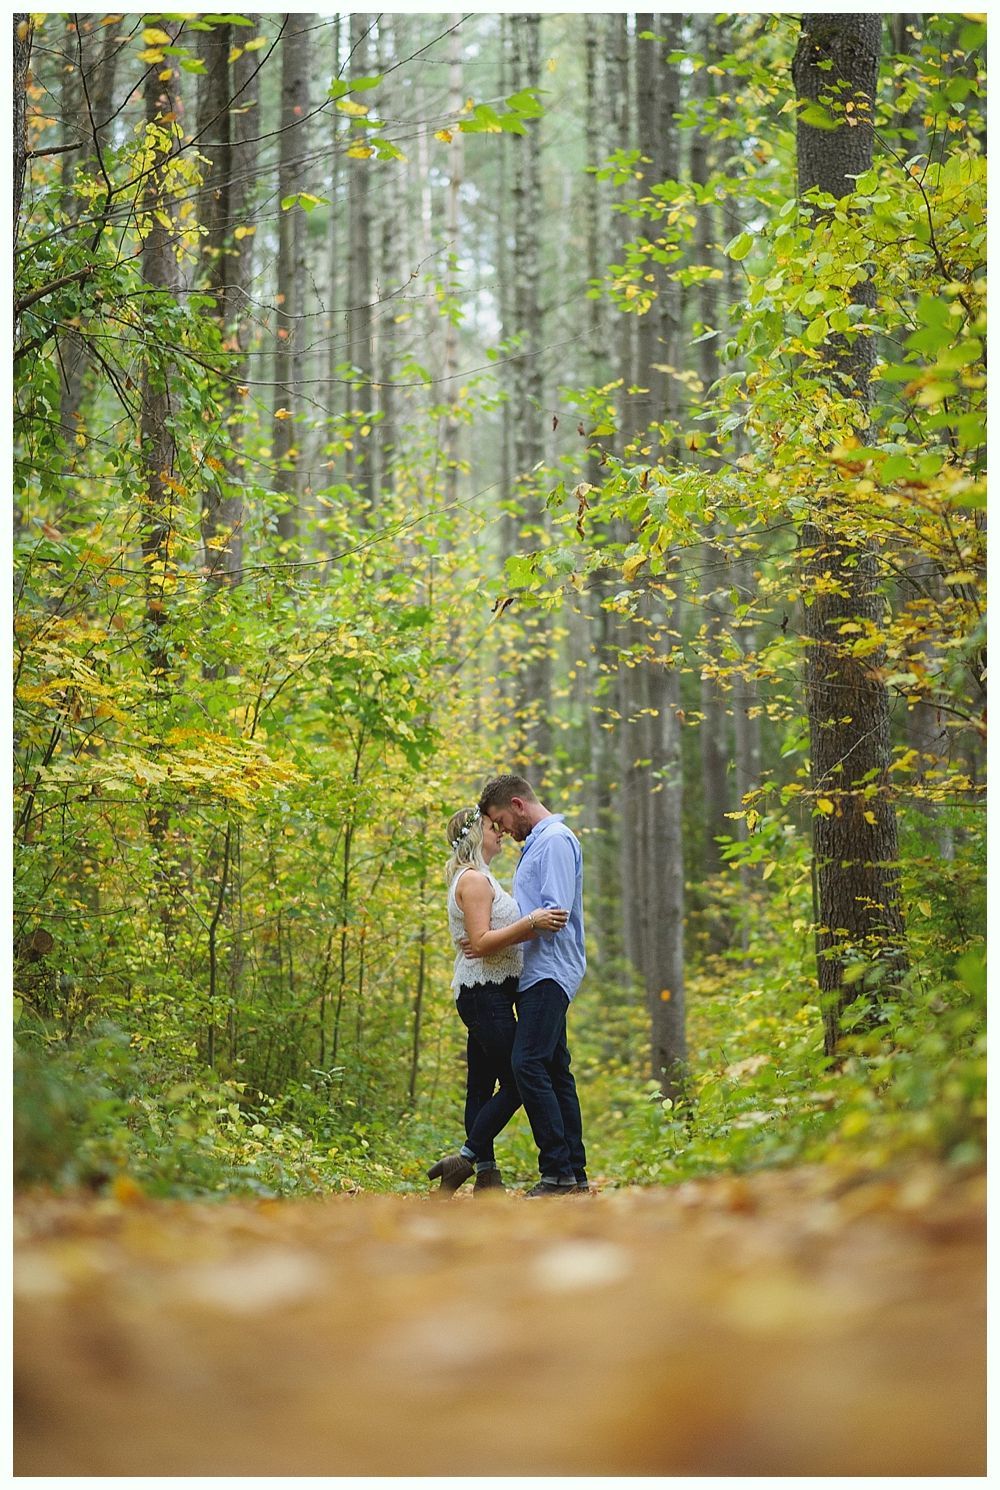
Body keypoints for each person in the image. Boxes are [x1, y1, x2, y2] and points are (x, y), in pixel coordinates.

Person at [427, 805, 568, 1197]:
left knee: (481, 1084)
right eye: (493, 827)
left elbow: (484, 939)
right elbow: (483, 941)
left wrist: (508, 934)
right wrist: (531, 922)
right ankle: (467, 1158)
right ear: (475, 835)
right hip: (483, 993)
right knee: (521, 1079)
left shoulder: (482, 878)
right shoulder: (473, 880)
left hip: (490, 990)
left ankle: (487, 1176)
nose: (500, 831)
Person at [475, 774, 589, 1197]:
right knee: (556, 1070)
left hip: (550, 970)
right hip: (535, 971)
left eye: (501, 820)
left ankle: (556, 1171)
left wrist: (495, 938)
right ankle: (573, 1174)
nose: (502, 830)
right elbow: (535, 916)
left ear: (519, 805)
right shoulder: (536, 845)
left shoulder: (555, 839)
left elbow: (552, 916)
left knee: (527, 1063)